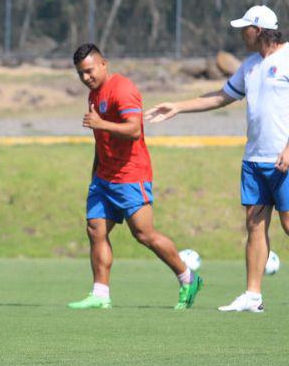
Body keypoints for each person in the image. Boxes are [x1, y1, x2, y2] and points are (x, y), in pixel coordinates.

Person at [146, 5, 288, 312]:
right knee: (254, 226)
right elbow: (222, 96)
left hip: (284, 159)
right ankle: (253, 296)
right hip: (254, 160)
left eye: (245, 29)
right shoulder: (249, 66)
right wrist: (178, 107)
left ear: (258, 30)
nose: (241, 34)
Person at [69, 43, 202, 310]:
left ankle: (188, 277)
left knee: (144, 235)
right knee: (95, 230)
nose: (86, 78)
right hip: (103, 178)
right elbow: (101, 139)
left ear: (104, 63)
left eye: (90, 71)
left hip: (131, 175)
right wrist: (95, 174)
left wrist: (100, 124)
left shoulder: (123, 89)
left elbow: (134, 131)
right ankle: (100, 294)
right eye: (81, 74)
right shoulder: (94, 95)